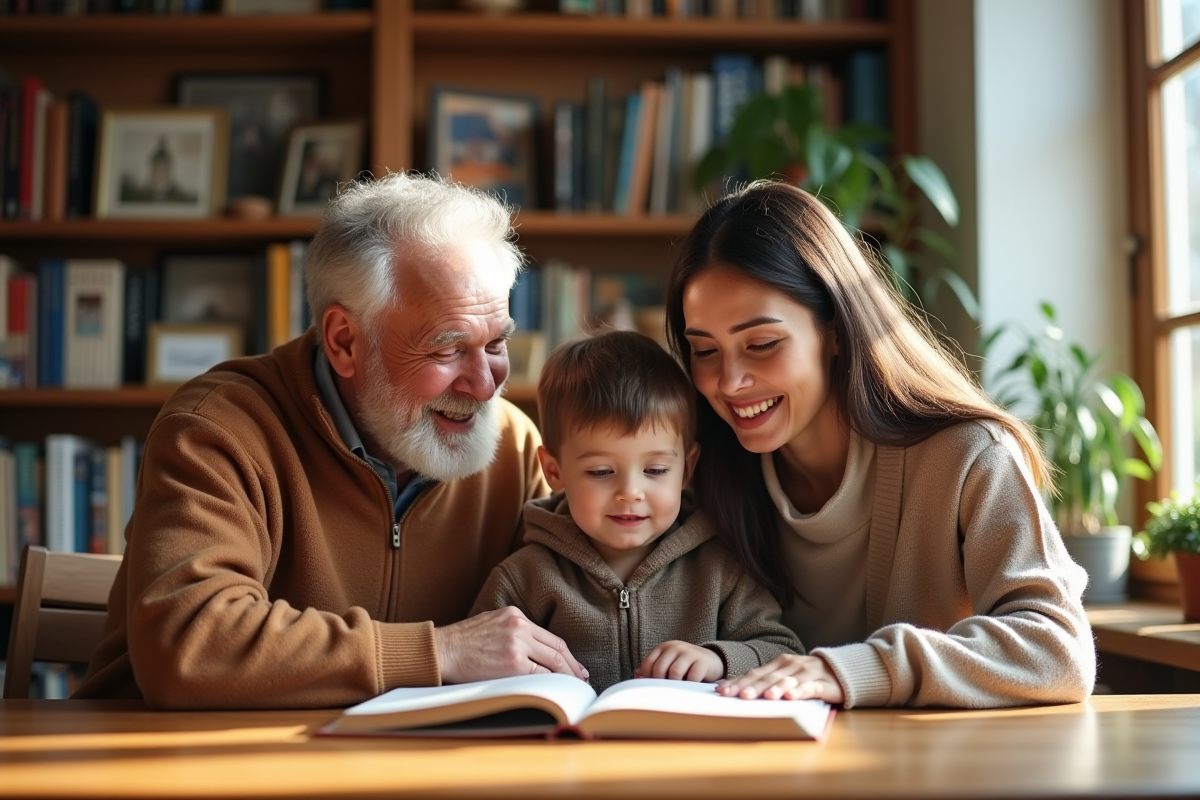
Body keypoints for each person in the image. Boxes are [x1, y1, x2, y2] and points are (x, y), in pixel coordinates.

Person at [75, 172, 587, 709]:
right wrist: (440, 651)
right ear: (345, 341)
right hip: (173, 751)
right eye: (447, 349)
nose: (484, 386)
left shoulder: (514, 447)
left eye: (497, 343)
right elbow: (188, 642)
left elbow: (588, 596)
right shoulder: (219, 429)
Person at [664, 181, 1095, 709]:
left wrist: (851, 669)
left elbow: (1059, 650)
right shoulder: (694, 469)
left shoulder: (967, 456)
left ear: (835, 330)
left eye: (762, 344)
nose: (729, 382)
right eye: (705, 351)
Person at [470, 330, 804, 692]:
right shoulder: (524, 578)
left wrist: (719, 659)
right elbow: (474, 667)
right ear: (554, 471)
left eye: (655, 470)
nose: (630, 493)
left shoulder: (721, 570)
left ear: (687, 469)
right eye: (601, 472)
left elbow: (783, 652)